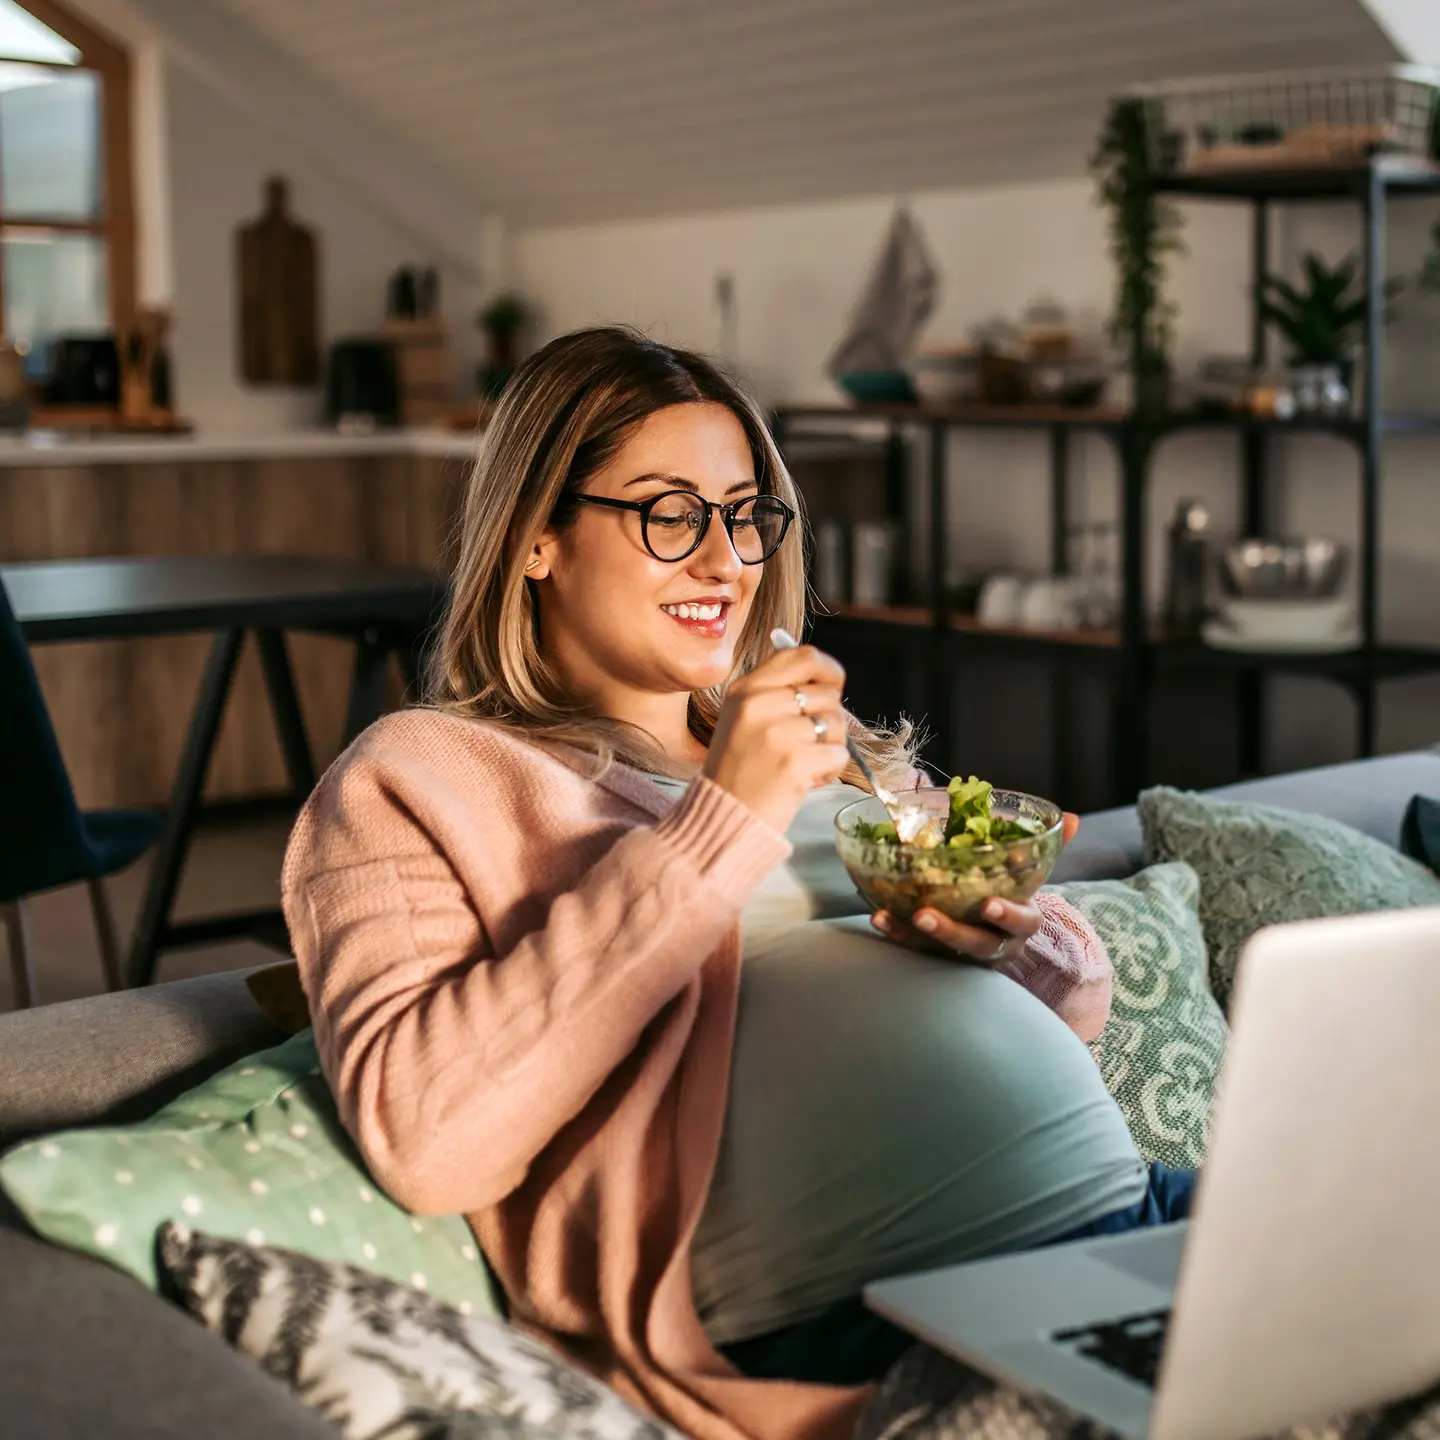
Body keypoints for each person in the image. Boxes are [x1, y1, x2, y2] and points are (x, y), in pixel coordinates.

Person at [281, 327, 1192, 1440]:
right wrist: (726, 820)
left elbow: (1068, 1009)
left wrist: (1005, 939)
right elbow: (428, 1139)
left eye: (744, 513)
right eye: (668, 513)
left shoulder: (821, 734)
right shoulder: (419, 778)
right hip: (880, 1320)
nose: (724, 562)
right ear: (536, 538)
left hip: (1137, 1215)